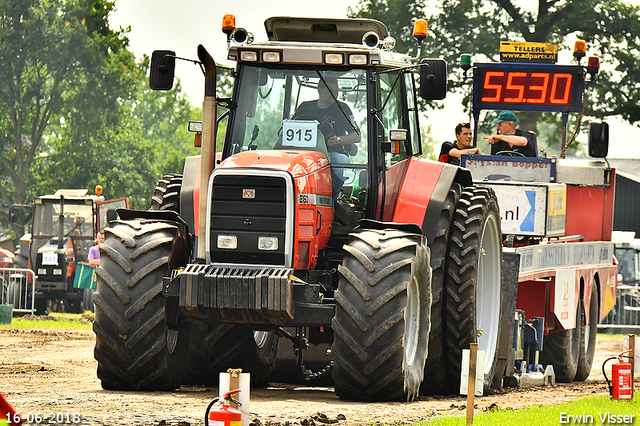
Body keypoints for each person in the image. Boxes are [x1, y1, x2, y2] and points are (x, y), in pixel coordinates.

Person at [293, 76, 361, 201]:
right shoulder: (304, 108)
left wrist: (338, 140)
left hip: (332, 154)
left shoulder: (343, 109)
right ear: (320, 90)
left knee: (343, 162)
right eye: (331, 91)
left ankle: (331, 199)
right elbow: (290, 127)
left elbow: (357, 135)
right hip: (305, 155)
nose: (334, 94)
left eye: (336, 91)